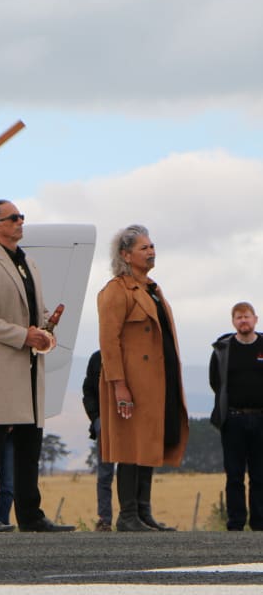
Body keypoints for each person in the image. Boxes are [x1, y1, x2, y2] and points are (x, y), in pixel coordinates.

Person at [0, 200, 73, 533]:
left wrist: (44, 331)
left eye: (21, 216)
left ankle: (30, 513)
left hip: (27, 367)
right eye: (13, 218)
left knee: (30, 441)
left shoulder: (28, 264)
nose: (20, 221)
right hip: (1, 366)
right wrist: (22, 336)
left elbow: (34, 311)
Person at [98, 225, 188, 532]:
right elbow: (109, 342)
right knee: (130, 447)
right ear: (125, 255)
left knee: (150, 442)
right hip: (131, 382)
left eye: (152, 246)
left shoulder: (153, 289)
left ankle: (144, 512)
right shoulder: (116, 290)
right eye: (143, 248)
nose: (151, 251)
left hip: (159, 380)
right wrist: (119, 384)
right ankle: (127, 515)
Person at [209, 302, 263, 531]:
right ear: (233, 321)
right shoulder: (223, 350)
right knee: (234, 475)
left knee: (260, 475)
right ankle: (236, 523)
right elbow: (215, 382)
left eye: (247, 317)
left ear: (255, 319)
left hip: (261, 419)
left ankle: (260, 523)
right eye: (239, 317)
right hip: (233, 419)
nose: (244, 321)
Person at [82, 349, 115, 531]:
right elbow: (88, 391)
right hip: (104, 420)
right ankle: (105, 519)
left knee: (123, 471)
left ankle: (129, 514)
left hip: (125, 421)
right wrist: (96, 419)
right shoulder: (97, 358)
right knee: (105, 473)